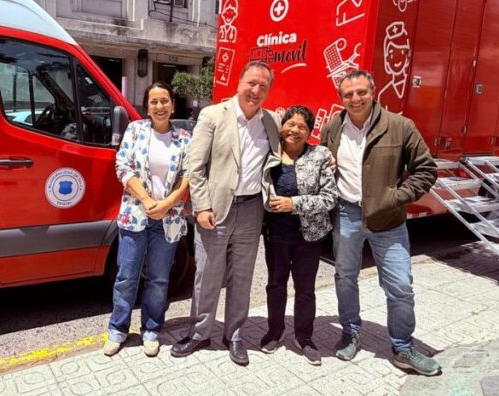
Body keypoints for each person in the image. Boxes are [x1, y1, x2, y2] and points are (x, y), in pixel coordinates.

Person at [320, 70, 440, 375]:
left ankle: (402, 347)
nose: (355, 99)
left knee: (399, 285)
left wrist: (395, 198)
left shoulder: (399, 126)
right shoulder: (333, 127)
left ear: (373, 92)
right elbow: (324, 166)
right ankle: (351, 332)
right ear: (341, 98)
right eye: (348, 94)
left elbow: (426, 169)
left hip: (388, 220)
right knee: (345, 277)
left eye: (361, 92)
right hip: (346, 215)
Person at [171, 61, 280, 366]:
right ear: (239, 82)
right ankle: (199, 332)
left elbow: (285, 155)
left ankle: (233, 334)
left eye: (263, 86)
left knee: (242, 277)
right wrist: (202, 206)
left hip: (251, 209)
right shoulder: (213, 115)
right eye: (251, 83)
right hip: (215, 209)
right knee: (207, 274)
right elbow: (195, 165)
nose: (256, 91)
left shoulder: (271, 121)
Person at [105, 82, 191, 358]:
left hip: (168, 219)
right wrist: (147, 200)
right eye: (154, 102)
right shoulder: (135, 130)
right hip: (135, 215)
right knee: (126, 275)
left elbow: (188, 177)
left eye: (164, 101)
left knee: (158, 279)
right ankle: (118, 329)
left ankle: (152, 329)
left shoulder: (185, 139)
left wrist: (165, 204)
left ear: (173, 105)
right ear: (147, 106)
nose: (160, 106)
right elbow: (122, 166)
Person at [260, 105, 338, 365]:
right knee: (275, 285)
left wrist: (294, 204)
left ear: (309, 133)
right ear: (282, 126)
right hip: (275, 234)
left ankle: (304, 337)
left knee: (305, 289)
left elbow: (329, 198)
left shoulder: (320, 156)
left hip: (309, 236)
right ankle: (275, 330)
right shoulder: (268, 153)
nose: (295, 130)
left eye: (302, 127)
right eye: (290, 124)